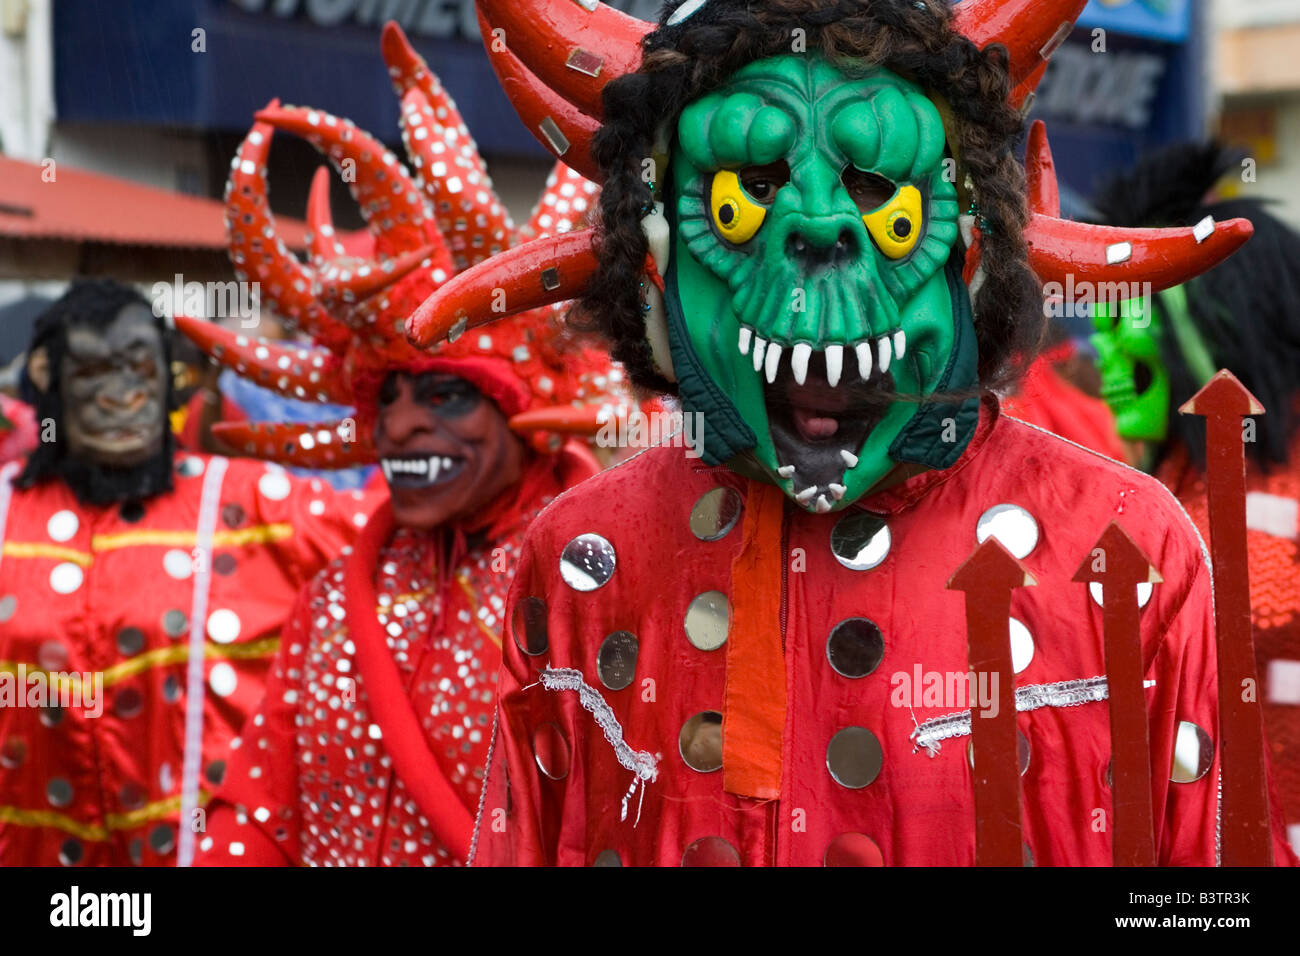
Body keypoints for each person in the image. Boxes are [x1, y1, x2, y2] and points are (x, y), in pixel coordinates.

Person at [447, 0, 1296, 866]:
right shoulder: (583, 553)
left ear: (971, 249)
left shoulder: (1127, 540)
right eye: (747, 195)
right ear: (655, 254)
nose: (819, 234)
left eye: (881, 194)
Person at [193, 22, 624, 866]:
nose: (397, 426)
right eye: (385, 396)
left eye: (444, 393)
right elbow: (257, 812)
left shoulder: (604, 590)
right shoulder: (332, 597)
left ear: (529, 409)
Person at [0, 278, 363, 866]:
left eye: (138, 371)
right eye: (93, 373)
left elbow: (400, 541)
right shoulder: (3, 513)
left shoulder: (251, 502)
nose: (121, 397)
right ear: (48, 379)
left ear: (170, 377)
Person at [1090, 141, 1300, 855]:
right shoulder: (1160, 485)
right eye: (1099, 326)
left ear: (1209, 320)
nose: (1104, 356)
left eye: (1123, 322)